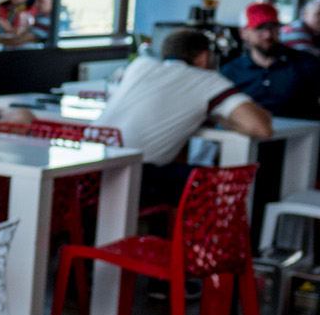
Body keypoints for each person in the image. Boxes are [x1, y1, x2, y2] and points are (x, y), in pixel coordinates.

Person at [97, 27, 272, 206]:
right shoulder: (206, 80)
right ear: (204, 57)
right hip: (131, 176)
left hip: (93, 171)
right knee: (216, 179)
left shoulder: (140, 65)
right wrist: (222, 120)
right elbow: (262, 128)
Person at [221, 1, 320, 118]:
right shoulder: (231, 72)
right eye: (259, 28)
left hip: (300, 128)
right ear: (243, 32)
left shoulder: (307, 64)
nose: (267, 35)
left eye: (273, 27)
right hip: (250, 128)